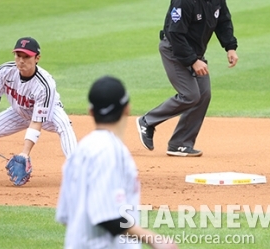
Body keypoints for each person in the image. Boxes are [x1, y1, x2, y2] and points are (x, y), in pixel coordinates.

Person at [56, 76, 178, 249]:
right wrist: (154, 239)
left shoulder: (79, 151)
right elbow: (108, 217)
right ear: (127, 108)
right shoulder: (109, 151)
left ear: (91, 112)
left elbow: (66, 216)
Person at [0, 37, 77, 183]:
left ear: (37, 58)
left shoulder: (45, 84)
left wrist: (25, 153)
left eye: (26, 56)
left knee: (64, 125)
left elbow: (36, 122)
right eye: (18, 55)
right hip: (19, 111)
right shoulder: (6, 70)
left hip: (49, 112)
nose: (21, 60)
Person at [136, 0, 239, 157]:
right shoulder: (184, 1)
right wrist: (192, 61)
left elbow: (223, 20)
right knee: (190, 95)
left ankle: (180, 143)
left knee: (204, 95)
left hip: (195, 53)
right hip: (174, 51)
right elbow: (174, 33)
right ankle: (147, 121)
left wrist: (230, 46)